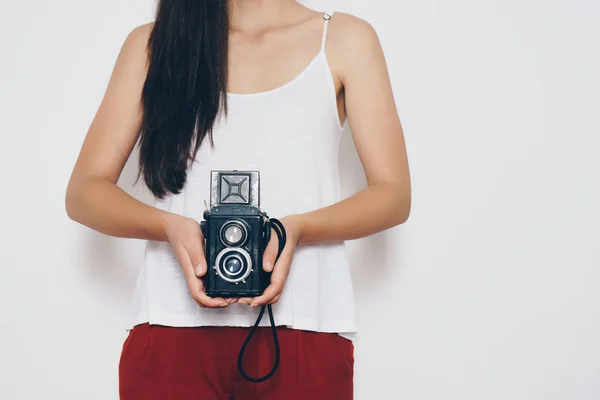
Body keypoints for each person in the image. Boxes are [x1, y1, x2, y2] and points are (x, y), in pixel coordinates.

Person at [65, 0, 411, 399]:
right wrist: (170, 227)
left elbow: (393, 194)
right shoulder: (155, 44)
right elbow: (85, 192)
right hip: (171, 324)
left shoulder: (344, 39)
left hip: (304, 324)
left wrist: (293, 230)